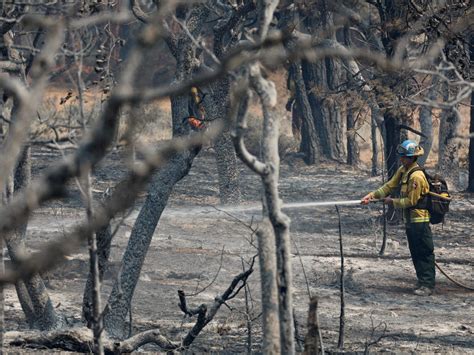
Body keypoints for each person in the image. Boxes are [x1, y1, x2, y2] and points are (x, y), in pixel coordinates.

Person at [361, 140, 435, 296]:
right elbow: (389, 186)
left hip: (419, 221)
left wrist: (392, 202)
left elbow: (411, 201)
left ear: (412, 157)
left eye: (404, 157)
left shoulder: (416, 177)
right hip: (410, 221)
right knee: (415, 252)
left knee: (424, 252)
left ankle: (427, 285)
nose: (401, 159)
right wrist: (372, 195)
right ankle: (422, 281)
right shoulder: (403, 170)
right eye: (401, 156)